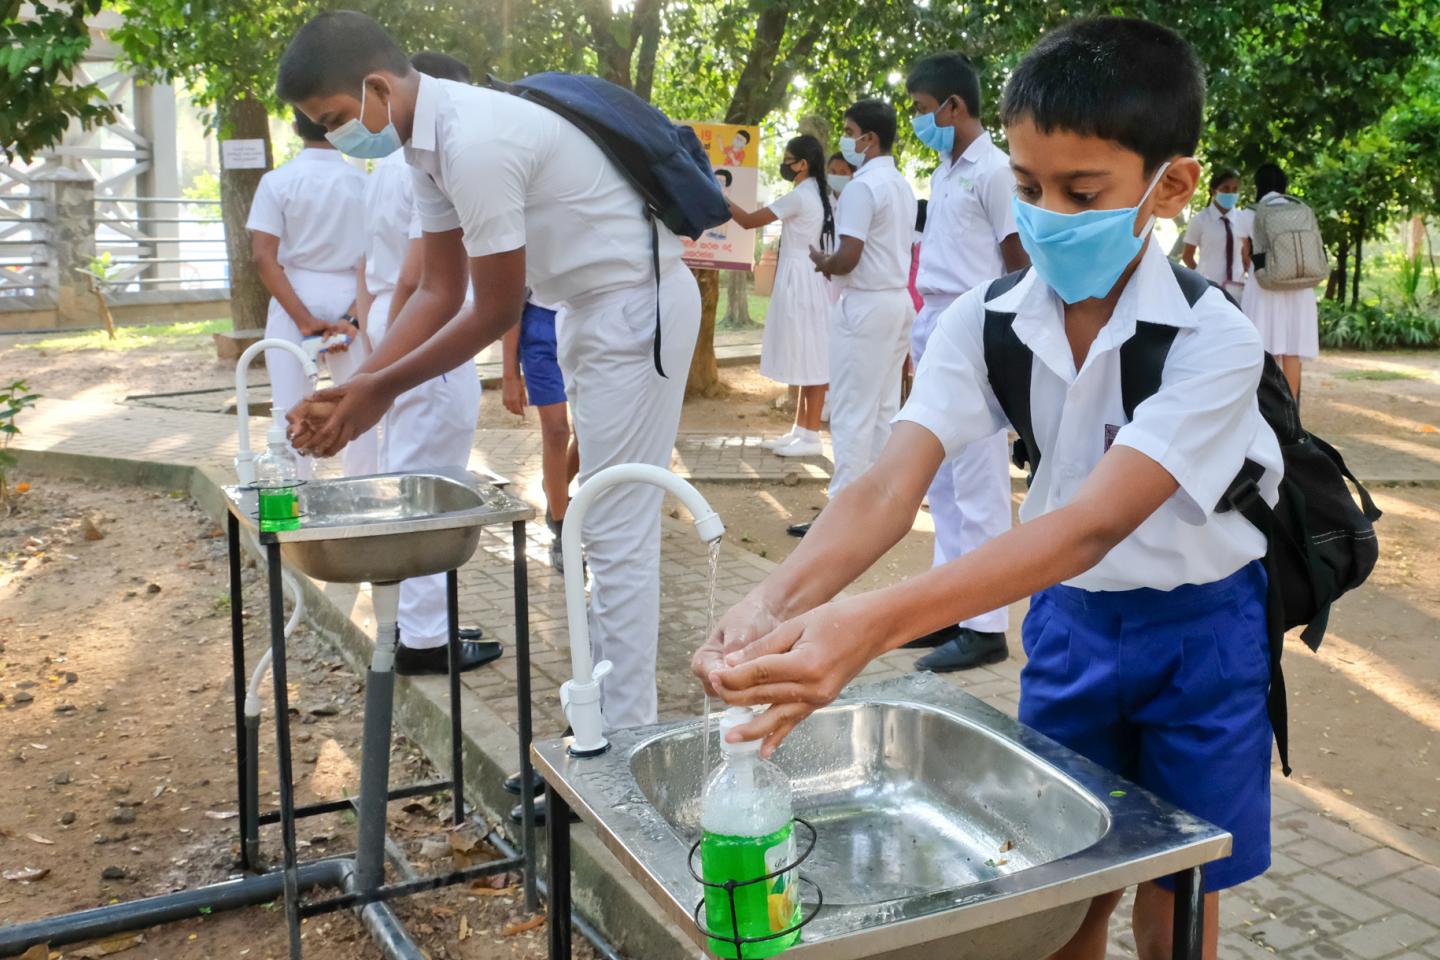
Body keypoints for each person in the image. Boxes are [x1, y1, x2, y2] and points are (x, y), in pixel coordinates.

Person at [696, 19, 1281, 960]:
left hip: (1201, 635)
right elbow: (890, 483)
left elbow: (1093, 523)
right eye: (1027, 186)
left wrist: (868, 626)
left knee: (1178, 896)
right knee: (1059, 889)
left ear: (1170, 185)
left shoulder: (1214, 341)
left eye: (1081, 192)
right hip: (1071, 629)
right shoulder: (987, 320)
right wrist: (779, 597)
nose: (1047, 214)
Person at [278, 11, 701, 733]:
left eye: (337, 117)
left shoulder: (474, 139)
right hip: (590, 311)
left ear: (377, 86)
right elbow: (440, 290)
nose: (339, 136)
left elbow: (496, 305)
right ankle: (599, 727)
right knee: (600, 525)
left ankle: (621, 739)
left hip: (636, 308)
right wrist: (359, 382)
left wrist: (377, 390)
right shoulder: (426, 148)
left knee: (615, 532)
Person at [355, 49, 495, 676]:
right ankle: (426, 637)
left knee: (403, 473)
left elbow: (373, 270)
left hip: (393, 317)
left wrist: (375, 349)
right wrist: (390, 370)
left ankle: (415, 621)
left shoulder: (383, 166)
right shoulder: (434, 161)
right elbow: (421, 276)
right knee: (430, 485)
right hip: (427, 326)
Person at [902, 51, 1030, 671]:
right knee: (943, 481)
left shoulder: (996, 171)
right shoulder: (945, 170)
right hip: (936, 324)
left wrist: (1004, 339)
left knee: (978, 482)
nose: (920, 120)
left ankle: (985, 625)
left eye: (924, 110)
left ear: (954, 105)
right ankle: (945, 609)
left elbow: (1019, 261)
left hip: (980, 325)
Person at [245, 107, 369, 479]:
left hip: (294, 292)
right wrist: (351, 317)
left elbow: (263, 258)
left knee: (288, 403)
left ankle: (295, 492)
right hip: (353, 292)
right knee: (360, 402)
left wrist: (303, 320)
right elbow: (374, 258)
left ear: (296, 127)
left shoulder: (277, 182)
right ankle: (365, 489)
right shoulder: (363, 183)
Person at [807, 98, 917, 510]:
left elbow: (848, 258)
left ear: (869, 139)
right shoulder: (901, 185)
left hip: (865, 305)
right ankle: (876, 506)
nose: (846, 141)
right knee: (883, 408)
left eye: (850, 133)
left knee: (852, 411)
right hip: (896, 302)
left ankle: (841, 512)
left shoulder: (863, 187)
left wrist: (823, 262)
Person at [727, 134, 834, 459]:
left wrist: (719, 196)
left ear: (803, 164)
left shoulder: (801, 196)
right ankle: (801, 430)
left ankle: (811, 434)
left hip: (801, 279)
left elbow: (747, 222)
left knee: (813, 358)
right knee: (806, 352)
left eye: (789, 159)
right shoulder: (817, 193)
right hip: (804, 276)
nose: (785, 165)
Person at [501, 297, 580, 571]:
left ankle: (555, 485)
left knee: (592, 433)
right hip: (542, 326)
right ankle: (562, 531)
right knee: (557, 430)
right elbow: (510, 300)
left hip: (587, 317)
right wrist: (510, 373)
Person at [1241, 162, 1317, 401]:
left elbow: (1246, 255)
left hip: (1265, 287)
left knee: (1267, 352)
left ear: (1258, 185)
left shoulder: (1250, 212)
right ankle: (1292, 415)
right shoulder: (1300, 210)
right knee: (1292, 352)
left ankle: (1271, 417)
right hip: (1300, 286)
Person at [1182, 167, 1249, 302]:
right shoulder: (1200, 220)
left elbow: (1246, 255)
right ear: (1214, 191)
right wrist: (1202, 277)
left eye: (1235, 189)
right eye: (1225, 189)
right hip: (1208, 288)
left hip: (1237, 287)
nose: (1231, 193)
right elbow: (1187, 257)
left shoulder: (1242, 219)